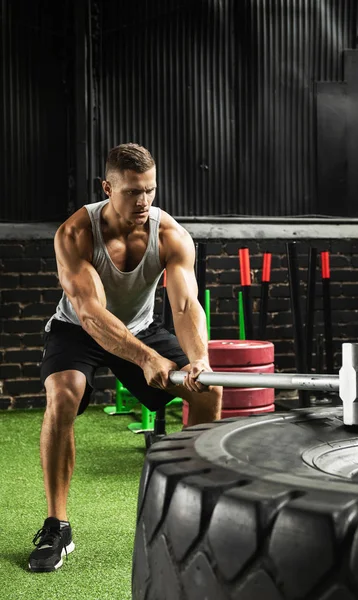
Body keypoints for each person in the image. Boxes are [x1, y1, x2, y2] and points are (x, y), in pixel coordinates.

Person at [28, 143, 222, 572]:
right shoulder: (75, 233)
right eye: (133, 192)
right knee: (64, 395)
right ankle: (57, 525)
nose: (144, 201)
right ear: (107, 188)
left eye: (150, 190)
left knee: (209, 391)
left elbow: (187, 304)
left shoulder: (169, 234)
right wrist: (147, 358)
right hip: (78, 330)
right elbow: (92, 316)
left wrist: (199, 359)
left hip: (140, 327)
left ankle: (203, 508)